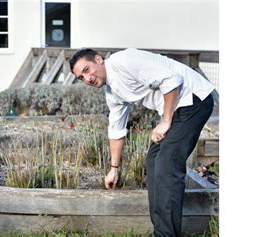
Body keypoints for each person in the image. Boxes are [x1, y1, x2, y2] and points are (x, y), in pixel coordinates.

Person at [70, 48, 215, 237]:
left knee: (167, 163)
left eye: (87, 70)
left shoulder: (125, 61)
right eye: (81, 77)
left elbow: (172, 81)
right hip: (177, 108)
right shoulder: (112, 92)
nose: (87, 78)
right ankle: (162, 231)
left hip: (194, 99)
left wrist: (165, 121)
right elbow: (116, 130)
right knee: (154, 161)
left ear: (99, 59)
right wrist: (114, 168)